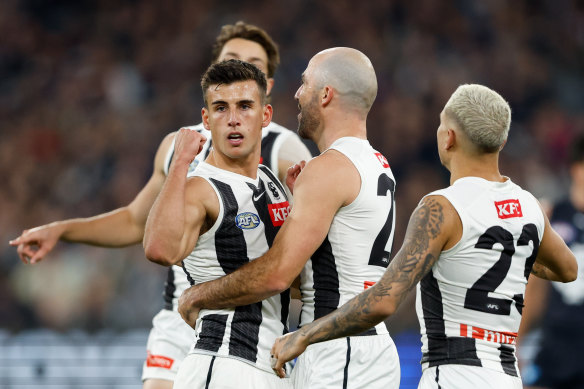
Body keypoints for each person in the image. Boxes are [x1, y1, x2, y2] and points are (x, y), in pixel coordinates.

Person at [8, 21, 312, 389]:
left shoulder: (282, 154)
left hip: (253, 335)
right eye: (233, 59)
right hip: (189, 325)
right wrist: (64, 229)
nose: (234, 115)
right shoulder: (181, 150)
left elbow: (292, 267)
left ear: (268, 95)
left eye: (253, 65)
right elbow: (140, 225)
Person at [269, 84, 578, 389]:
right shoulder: (530, 206)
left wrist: (305, 334)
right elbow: (567, 270)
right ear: (503, 140)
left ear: (449, 137)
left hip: (454, 375)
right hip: (507, 376)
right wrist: (511, 256)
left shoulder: (441, 208)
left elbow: (383, 302)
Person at [177, 47, 401, 389]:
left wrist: (197, 296)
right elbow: (331, 265)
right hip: (365, 347)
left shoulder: (327, 170)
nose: (297, 94)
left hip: (337, 350)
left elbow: (278, 275)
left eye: (305, 83)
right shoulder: (376, 163)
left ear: (325, 95)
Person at [143, 59, 292, 389]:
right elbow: (159, 248)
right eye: (221, 108)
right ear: (206, 120)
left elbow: (290, 278)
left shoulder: (271, 182)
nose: (234, 119)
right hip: (224, 364)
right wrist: (180, 164)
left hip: (270, 365)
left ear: (265, 115)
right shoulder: (202, 188)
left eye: (245, 106)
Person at [520, 135, 584, 389]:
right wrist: (515, 343)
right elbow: (533, 289)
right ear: (576, 167)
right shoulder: (550, 218)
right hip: (557, 348)